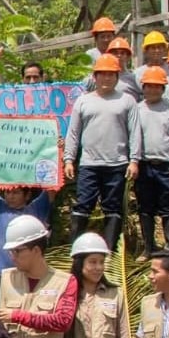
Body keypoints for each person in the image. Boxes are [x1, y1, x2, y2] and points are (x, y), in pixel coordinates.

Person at [65, 53, 140, 249]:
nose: (106, 78)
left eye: (111, 74)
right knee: (83, 205)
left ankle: (109, 251)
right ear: (94, 76)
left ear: (117, 76)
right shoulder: (83, 101)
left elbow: (135, 133)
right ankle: (76, 249)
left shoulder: (127, 100)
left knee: (113, 208)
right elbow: (73, 133)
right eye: (102, 74)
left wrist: (134, 160)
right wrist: (68, 159)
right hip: (89, 163)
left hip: (117, 164)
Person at [135, 66, 169, 256]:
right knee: (145, 207)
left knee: (168, 207)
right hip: (144, 165)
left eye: (157, 86)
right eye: (149, 86)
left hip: (167, 165)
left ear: (163, 89)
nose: (152, 90)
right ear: (143, 88)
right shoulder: (138, 109)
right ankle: (149, 247)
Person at [0, 186, 55, 275]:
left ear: (27, 195)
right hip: (2, 273)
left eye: (16, 193)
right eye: (7, 192)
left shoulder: (37, 209)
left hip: (31, 273)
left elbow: (52, 185)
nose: (11, 196)